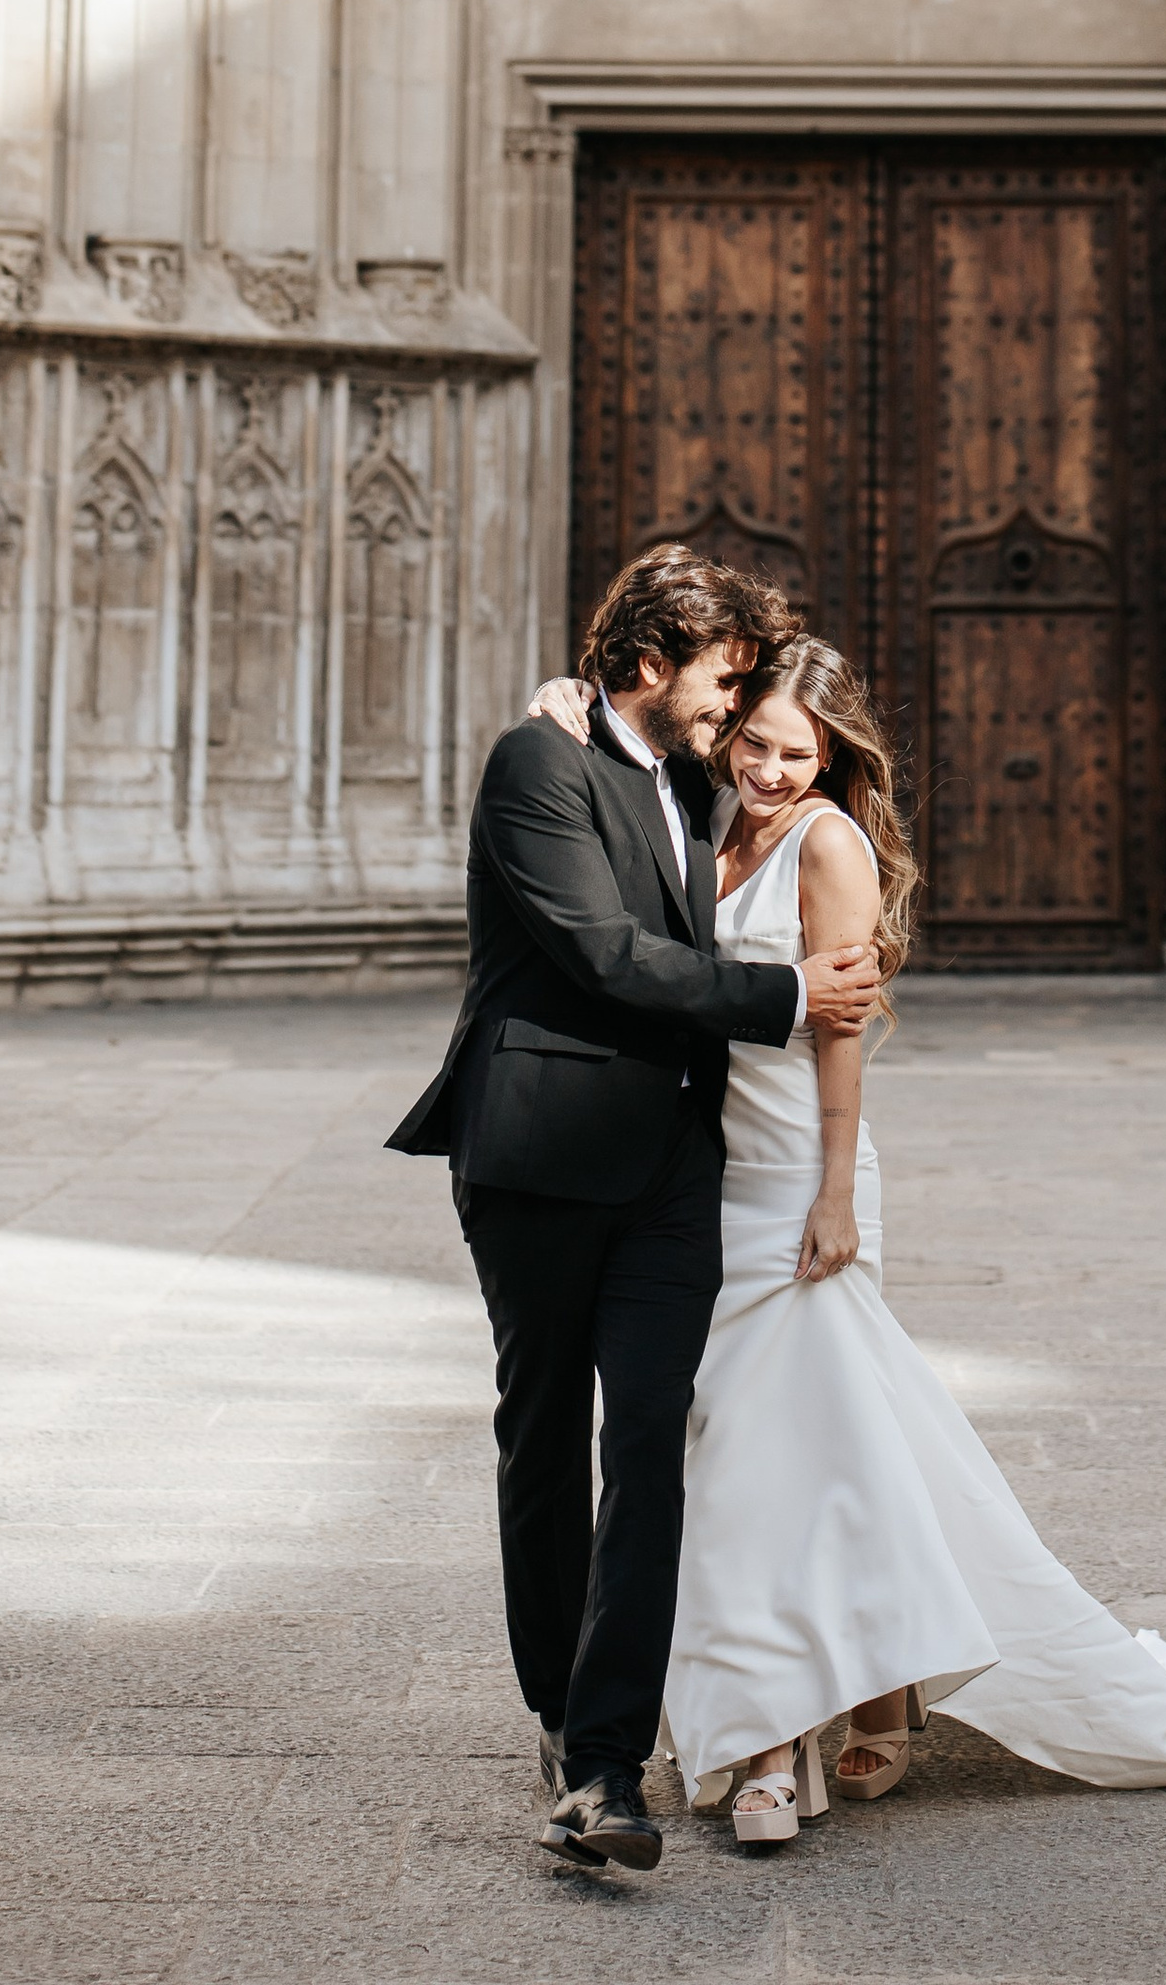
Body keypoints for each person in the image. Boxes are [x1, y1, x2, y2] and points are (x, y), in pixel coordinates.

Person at [525, 637, 1166, 1838]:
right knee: (785, 1452)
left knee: (784, 1456)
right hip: (710, 1179)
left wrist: (836, 1190)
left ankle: (773, 1743)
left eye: (799, 752)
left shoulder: (828, 842)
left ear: (834, 753)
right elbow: (630, 791)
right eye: (754, 743)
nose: (772, 769)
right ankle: (860, 1700)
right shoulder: (703, 816)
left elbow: (840, 1038)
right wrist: (564, 710)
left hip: (801, 1172)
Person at [387, 547, 884, 1874]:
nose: (737, 718)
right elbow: (606, 954)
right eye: (723, 687)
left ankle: (608, 1763)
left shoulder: (688, 773)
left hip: (672, 1169)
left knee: (654, 1438)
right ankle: (560, 1712)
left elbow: (779, 786)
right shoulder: (536, 766)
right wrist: (786, 998)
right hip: (541, 1155)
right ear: (651, 668)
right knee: (546, 1434)